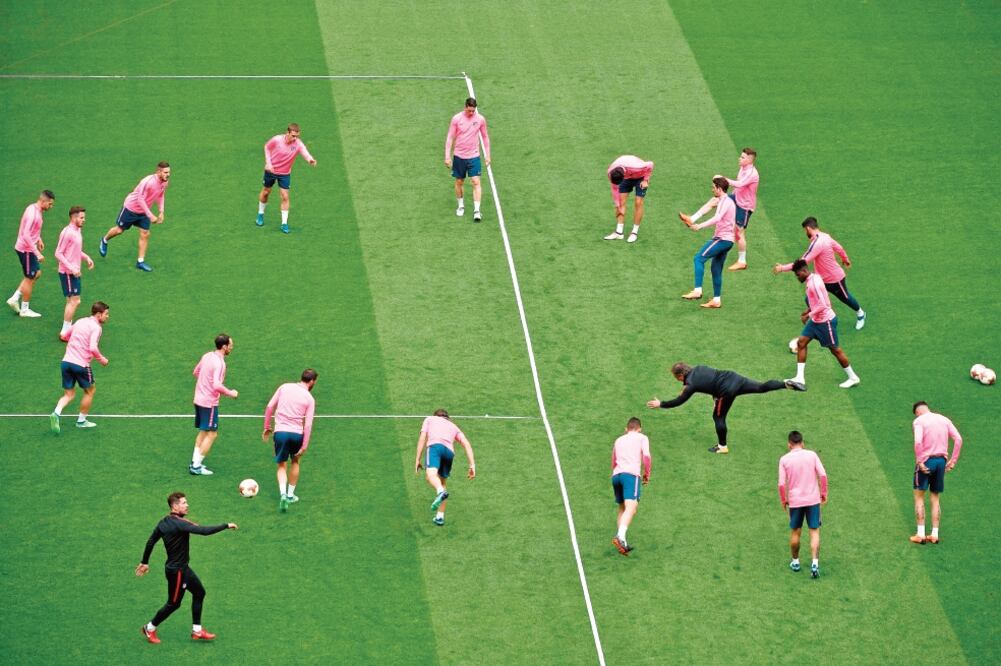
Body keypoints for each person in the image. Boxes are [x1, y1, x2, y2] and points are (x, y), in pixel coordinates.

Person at [136, 492, 237, 644]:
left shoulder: (163, 522)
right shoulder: (180, 523)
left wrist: (145, 562)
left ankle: (197, 630)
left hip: (183, 568)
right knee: (173, 604)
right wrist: (226, 525)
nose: (187, 505)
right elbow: (204, 531)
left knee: (199, 592)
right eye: (184, 503)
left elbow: (151, 541)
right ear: (175, 506)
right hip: (177, 572)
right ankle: (149, 628)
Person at [646, 362, 802, 454]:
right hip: (734, 378)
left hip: (726, 391)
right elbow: (711, 381)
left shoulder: (691, 384)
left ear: (680, 375)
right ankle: (785, 384)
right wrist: (714, 396)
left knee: (718, 417)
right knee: (760, 387)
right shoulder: (699, 368)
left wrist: (661, 404)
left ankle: (722, 446)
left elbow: (679, 401)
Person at [773, 217, 866, 330]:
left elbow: (802, 263)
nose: (805, 233)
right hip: (822, 280)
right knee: (809, 298)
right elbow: (839, 248)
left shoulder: (817, 243)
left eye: (805, 230)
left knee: (845, 298)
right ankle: (820, 319)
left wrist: (782, 268)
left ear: (808, 228)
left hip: (835, 279)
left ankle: (861, 314)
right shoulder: (825, 236)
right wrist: (845, 259)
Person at [785, 259, 861, 389]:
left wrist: (808, 315)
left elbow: (823, 305)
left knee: (835, 350)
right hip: (816, 321)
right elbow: (818, 300)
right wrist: (809, 310)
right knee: (801, 343)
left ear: (804, 271)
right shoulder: (814, 278)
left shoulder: (814, 284)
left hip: (826, 322)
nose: (797, 278)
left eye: (798, 275)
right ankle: (799, 378)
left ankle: (853, 377)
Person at [681, 149, 759, 270]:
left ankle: (742, 261)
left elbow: (739, 184)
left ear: (749, 160)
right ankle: (692, 218)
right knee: (714, 200)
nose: (739, 158)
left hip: (744, 206)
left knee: (739, 232)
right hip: (736, 198)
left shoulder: (752, 173)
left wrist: (723, 179)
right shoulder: (743, 167)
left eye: (743, 157)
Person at [262, 368, 318, 512]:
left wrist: (267, 427)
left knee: (281, 465)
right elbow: (308, 424)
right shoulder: (309, 398)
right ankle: (290, 495)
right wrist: (304, 446)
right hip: (296, 435)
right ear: (312, 381)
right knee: (295, 462)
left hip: (280, 433)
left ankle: (283, 495)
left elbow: (269, 407)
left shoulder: (284, 387)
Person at [50, 301, 110, 433]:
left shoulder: (80, 321)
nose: (107, 316)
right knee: (90, 391)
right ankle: (81, 421)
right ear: (98, 314)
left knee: (69, 394)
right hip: (81, 365)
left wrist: (76, 341)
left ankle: (56, 413)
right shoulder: (96, 328)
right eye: (106, 314)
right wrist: (102, 359)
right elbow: (92, 348)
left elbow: (64, 336)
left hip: (66, 362)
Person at [99, 162, 170, 272]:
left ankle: (140, 262)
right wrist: (151, 215)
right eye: (165, 172)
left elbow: (161, 195)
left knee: (145, 233)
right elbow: (140, 199)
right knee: (119, 230)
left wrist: (161, 211)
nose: (168, 174)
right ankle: (104, 240)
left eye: (169, 172)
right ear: (158, 171)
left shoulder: (165, 182)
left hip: (144, 211)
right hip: (131, 209)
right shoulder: (147, 182)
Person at [909, 401, 963, 545]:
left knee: (919, 496)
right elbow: (958, 439)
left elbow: (918, 442)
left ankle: (920, 534)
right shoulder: (944, 419)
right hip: (941, 462)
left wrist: (920, 461)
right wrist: (953, 461)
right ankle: (934, 535)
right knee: (935, 497)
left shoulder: (919, 421)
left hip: (926, 461)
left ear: (917, 412)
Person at [778, 431, 828, 578]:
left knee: (795, 531)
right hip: (813, 500)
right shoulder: (812, 455)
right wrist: (823, 493)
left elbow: (781, 484)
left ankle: (795, 562)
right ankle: (814, 564)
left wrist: (784, 500)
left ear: (789, 445)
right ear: (802, 443)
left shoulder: (784, 460)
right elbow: (823, 475)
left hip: (795, 501)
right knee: (814, 531)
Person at [680, 177, 735, 308]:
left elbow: (717, 218)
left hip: (722, 239)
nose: (712, 190)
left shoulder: (725, 202)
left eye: (713, 187)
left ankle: (697, 291)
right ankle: (716, 300)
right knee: (716, 269)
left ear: (719, 189)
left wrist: (699, 226)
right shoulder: (723, 201)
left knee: (698, 258)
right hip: (727, 240)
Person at [414, 409, 476, 526]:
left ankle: (440, 492)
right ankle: (440, 516)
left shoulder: (429, 419)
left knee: (431, 475)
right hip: (449, 453)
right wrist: (472, 465)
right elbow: (466, 444)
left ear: (435, 415)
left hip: (435, 447)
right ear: (447, 418)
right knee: (442, 482)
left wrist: (417, 459)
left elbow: (422, 438)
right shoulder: (454, 426)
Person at [189, 335, 238, 476]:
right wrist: (231, 393)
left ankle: (194, 462)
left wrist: (205, 384)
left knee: (203, 431)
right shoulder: (220, 363)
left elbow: (196, 372)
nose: (232, 347)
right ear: (224, 346)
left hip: (198, 398)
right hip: (209, 403)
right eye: (230, 345)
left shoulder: (207, 356)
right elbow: (216, 385)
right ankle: (196, 466)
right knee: (212, 434)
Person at [256, 123, 317, 233]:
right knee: (266, 192)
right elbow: (267, 147)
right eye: (293, 136)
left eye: (297, 136)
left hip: (284, 174)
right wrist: (268, 163)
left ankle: (284, 223)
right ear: (287, 132)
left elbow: (304, 152)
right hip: (271, 170)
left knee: (285, 196)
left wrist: (310, 159)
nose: (295, 138)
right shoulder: (276, 140)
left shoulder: (298, 144)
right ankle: (260, 214)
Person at [7, 190, 55, 318]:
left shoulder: (35, 209)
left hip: (28, 248)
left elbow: (33, 230)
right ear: (43, 201)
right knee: (30, 277)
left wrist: (39, 239)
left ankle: (14, 298)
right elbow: (26, 234)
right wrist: (37, 253)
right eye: (50, 204)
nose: (51, 206)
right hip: (26, 250)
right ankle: (24, 310)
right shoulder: (33, 214)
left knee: (36, 273)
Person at [444, 97, 491, 222]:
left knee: (476, 181)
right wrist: (447, 156)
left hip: (474, 156)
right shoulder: (456, 119)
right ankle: (461, 206)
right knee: (459, 182)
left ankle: (477, 210)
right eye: (469, 110)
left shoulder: (480, 119)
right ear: (465, 107)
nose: (471, 113)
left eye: (473, 111)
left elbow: (485, 137)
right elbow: (450, 137)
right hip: (459, 156)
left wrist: (487, 155)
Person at [610, 417, 651, 556]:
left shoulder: (618, 440)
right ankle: (620, 536)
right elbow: (646, 456)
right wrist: (647, 474)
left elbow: (613, 460)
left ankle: (622, 542)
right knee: (631, 507)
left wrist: (616, 473)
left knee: (622, 508)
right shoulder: (642, 438)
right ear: (640, 428)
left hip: (616, 476)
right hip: (630, 476)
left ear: (626, 429)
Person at [54, 206, 94, 341]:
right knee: (75, 301)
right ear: (74, 217)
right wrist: (72, 269)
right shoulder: (67, 232)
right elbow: (58, 253)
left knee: (71, 300)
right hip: (68, 273)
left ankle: (67, 328)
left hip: (73, 271)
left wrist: (86, 257)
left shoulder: (77, 230)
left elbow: (75, 250)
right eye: (81, 217)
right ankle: (65, 332)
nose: (84, 220)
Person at [603, 155, 655, 243]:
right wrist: (617, 205)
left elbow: (650, 164)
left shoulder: (636, 167)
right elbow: (614, 188)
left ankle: (634, 232)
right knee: (620, 203)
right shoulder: (611, 172)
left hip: (640, 176)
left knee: (638, 202)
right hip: (627, 177)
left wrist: (645, 180)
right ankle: (619, 233)